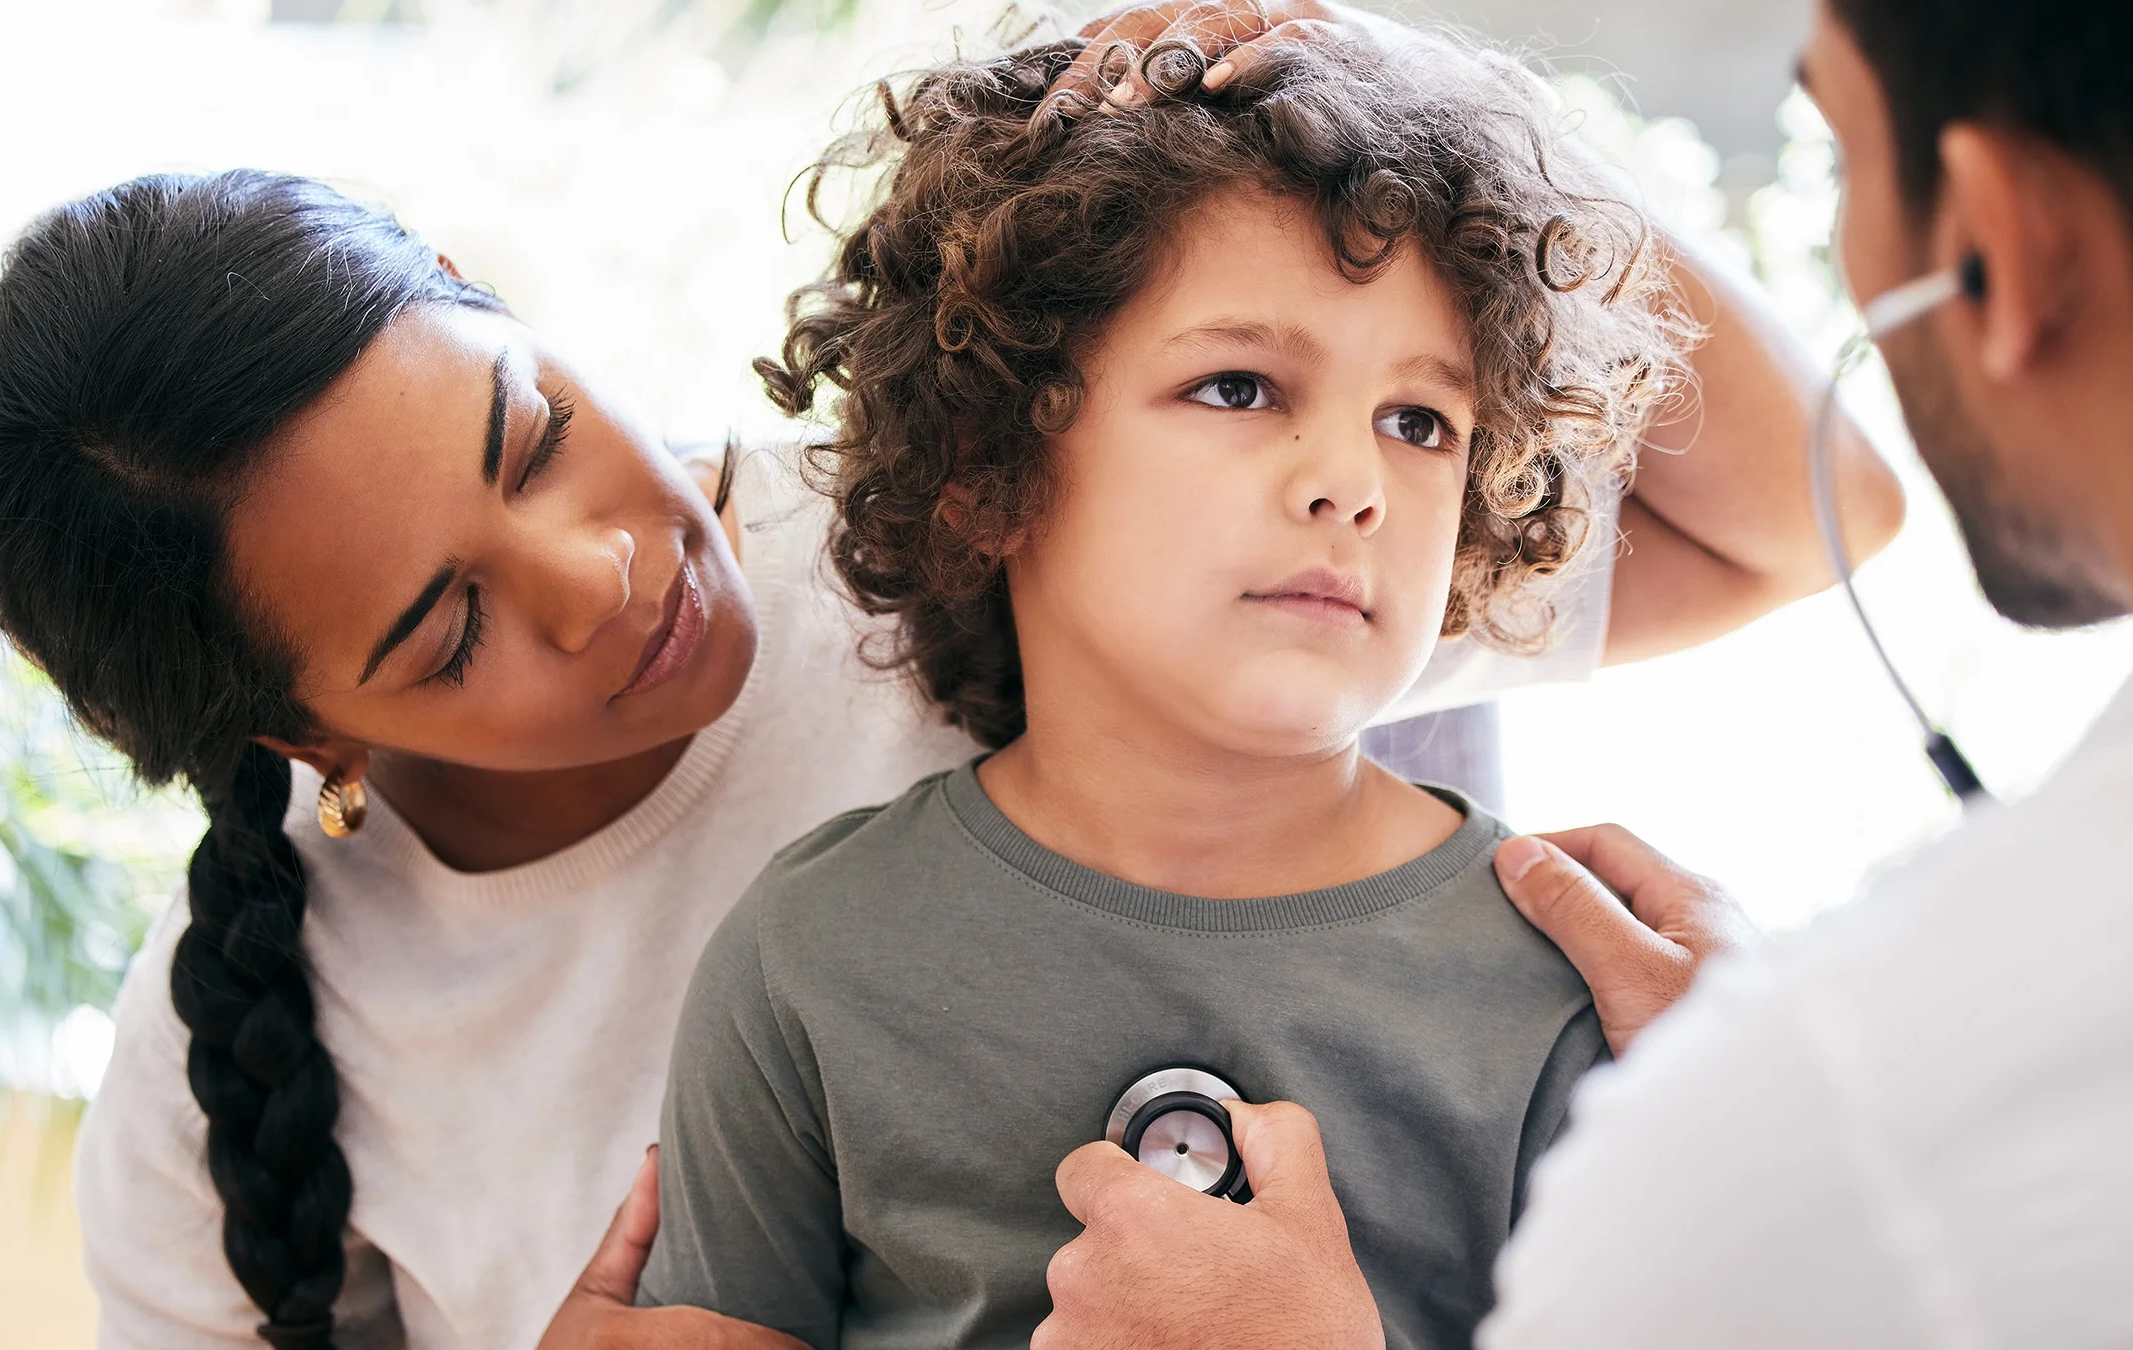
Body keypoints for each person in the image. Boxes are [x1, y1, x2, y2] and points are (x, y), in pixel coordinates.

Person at [0, 139, 1884, 1350]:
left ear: (492, 300)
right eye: (449, 630)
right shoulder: (232, 1064)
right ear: (298, 737)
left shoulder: (1002, 518)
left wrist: (1380, 74)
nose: (603, 572)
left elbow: (1808, 515)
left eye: (530, 430)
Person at [1030, 0, 2133, 1345]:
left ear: (2004, 245)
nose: (1347, 483)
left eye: (1844, 159)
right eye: (1237, 388)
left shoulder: (1820, 1130)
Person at [631, 26, 1674, 1349]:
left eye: (1421, 421)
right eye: (1238, 386)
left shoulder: (1563, 984)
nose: (1352, 480)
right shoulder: (807, 956)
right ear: (983, 460)